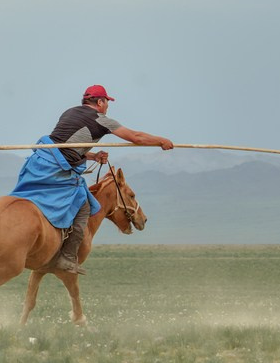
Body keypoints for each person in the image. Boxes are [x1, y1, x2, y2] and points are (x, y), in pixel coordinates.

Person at [9, 85, 174, 273]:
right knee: (84, 206)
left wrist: (93, 156)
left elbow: (65, 147)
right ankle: (67, 258)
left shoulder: (69, 112)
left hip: (38, 165)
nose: (107, 107)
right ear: (100, 102)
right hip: (56, 171)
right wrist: (161, 141)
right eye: (107, 103)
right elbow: (135, 137)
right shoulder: (102, 120)